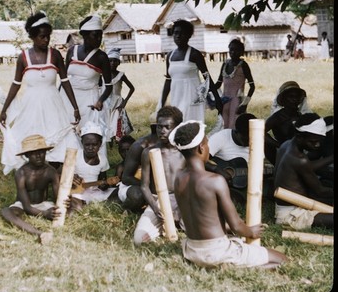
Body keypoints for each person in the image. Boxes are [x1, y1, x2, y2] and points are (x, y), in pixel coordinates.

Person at [170, 120, 287, 269]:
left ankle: (227, 265)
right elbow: (237, 226)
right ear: (201, 148)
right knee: (282, 259)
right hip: (217, 251)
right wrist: (250, 231)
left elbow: (201, 218)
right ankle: (230, 266)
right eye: (207, 143)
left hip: (192, 250)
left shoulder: (178, 178)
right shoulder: (215, 181)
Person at [0, 12, 81, 175]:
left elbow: (65, 82)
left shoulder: (55, 55)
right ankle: (34, 173)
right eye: (42, 37)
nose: (46, 40)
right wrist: (4, 110)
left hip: (53, 104)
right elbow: (16, 85)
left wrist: (75, 107)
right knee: (31, 138)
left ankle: (55, 173)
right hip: (31, 105)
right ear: (33, 36)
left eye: (48, 37)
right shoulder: (23, 58)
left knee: (58, 138)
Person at [60, 15, 113, 161]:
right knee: (69, 133)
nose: (99, 39)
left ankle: (96, 168)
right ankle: (72, 167)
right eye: (95, 35)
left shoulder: (101, 57)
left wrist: (100, 101)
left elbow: (108, 86)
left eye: (100, 36)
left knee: (90, 134)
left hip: (90, 100)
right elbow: (64, 78)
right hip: (69, 99)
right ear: (84, 35)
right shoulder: (72, 51)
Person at [0, 134, 66, 244]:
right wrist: (44, 214)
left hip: (43, 204)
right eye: (34, 153)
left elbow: (57, 198)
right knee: (6, 211)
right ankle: (39, 233)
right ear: (27, 155)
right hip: (24, 205)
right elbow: (27, 207)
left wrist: (63, 202)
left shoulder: (50, 171)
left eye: (42, 152)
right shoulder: (21, 173)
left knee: (71, 208)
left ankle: (34, 227)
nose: (39, 156)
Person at [133, 106, 185, 245]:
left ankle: (179, 223)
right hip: (158, 202)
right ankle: (166, 225)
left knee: (196, 228)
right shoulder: (149, 152)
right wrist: (156, 210)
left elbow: (192, 185)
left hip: (183, 200)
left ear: (177, 128)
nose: (162, 131)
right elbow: (144, 186)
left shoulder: (185, 152)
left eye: (167, 127)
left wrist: (180, 210)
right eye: (159, 127)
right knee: (139, 239)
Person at [273, 113, 333, 230]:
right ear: (300, 137)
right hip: (290, 215)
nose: (317, 145)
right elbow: (320, 191)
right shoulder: (300, 159)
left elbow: (307, 167)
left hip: (293, 206)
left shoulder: (286, 145)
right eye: (314, 141)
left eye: (320, 141)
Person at [159, 19, 222, 123]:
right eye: (176, 33)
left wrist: (217, 98)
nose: (178, 36)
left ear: (189, 35)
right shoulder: (170, 56)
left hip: (192, 97)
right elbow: (168, 80)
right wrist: (162, 102)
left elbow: (207, 77)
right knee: (177, 125)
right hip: (176, 96)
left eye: (182, 33)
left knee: (190, 126)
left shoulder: (195, 54)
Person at [68, 121, 118, 211]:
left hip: (95, 192)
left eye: (94, 144)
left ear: (100, 143)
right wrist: (71, 178)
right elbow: (64, 176)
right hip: (78, 192)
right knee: (76, 206)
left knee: (117, 192)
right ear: (82, 142)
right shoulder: (75, 156)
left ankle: (94, 203)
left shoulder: (102, 159)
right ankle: (84, 203)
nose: (90, 148)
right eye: (87, 145)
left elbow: (103, 180)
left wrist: (104, 185)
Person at [116, 122, 159, 214]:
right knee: (138, 195)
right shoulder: (139, 146)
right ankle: (127, 208)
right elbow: (126, 178)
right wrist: (147, 187)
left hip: (155, 188)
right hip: (136, 187)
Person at [214, 38, 255, 129]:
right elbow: (218, 84)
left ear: (241, 52)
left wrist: (244, 104)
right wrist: (209, 89)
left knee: (234, 125)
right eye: (231, 49)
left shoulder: (243, 65)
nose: (233, 52)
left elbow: (252, 86)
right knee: (224, 125)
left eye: (236, 50)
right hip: (224, 101)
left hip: (237, 101)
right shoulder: (225, 64)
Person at [265, 81, 308, 165]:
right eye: (291, 96)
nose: (294, 99)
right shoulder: (277, 117)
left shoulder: (301, 116)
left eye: (296, 97)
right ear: (284, 99)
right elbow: (260, 133)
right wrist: (280, 145)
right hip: (283, 154)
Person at [103, 48, 135, 144]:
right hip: (106, 102)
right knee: (106, 121)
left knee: (116, 122)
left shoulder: (121, 75)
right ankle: (109, 141)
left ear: (119, 63)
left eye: (115, 61)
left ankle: (118, 140)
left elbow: (132, 88)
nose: (112, 63)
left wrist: (125, 102)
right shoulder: (103, 74)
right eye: (110, 61)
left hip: (117, 102)